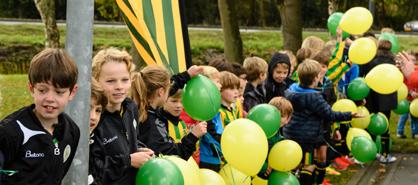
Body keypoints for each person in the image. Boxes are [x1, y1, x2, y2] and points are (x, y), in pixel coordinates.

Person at [0, 48, 80, 185]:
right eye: (42, 90)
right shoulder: (10, 132)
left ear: (72, 92)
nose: (50, 98)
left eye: (59, 92)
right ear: (32, 89)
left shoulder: (72, 131)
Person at [284, 59, 360, 185]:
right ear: (315, 78)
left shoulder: (291, 91)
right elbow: (330, 114)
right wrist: (349, 115)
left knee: (294, 163)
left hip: (291, 134)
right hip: (307, 138)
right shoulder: (314, 97)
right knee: (308, 165)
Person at [90, 48, 154, 185]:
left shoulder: (130, 108)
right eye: (111, 81)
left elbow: (129, 139)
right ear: (96, 81)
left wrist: (139, 149)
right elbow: (93, 170)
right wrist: (128, 160)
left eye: (124, 80)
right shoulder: (93, 119)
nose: (119, 86)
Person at [134, 65, 207, 160]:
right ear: (160, 92)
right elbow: (173, 156)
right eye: (168, 90)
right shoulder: (151, 122)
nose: (170, 91)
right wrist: (193, 136)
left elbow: (169, 86)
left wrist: (187, 75)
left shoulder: (137, 106)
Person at [359, 40, 398, 164]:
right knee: (384, 125)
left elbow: (362, 77)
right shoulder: (393, 63)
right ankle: (385, 154)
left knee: (371, 124)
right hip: (388, 97)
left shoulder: (371, 61)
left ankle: (370, 151)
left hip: (373, 97)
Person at [257, 96, 293, 179]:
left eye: (282, 116)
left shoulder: (279, 136)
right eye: (275, 114)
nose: (277, 118)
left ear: (288, 119)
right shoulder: (263, 132)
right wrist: (262, 166)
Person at [396, 51, 418, 139]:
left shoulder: (415, 71)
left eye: (413, 60)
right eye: (408, 60)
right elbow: (403, 86)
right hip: (406, 99)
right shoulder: (403, 73)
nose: (411, 62)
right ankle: (399, 132)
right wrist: (410, 92)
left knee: (415, 117)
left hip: (415, 101)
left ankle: (415, 133)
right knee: (403, 117)